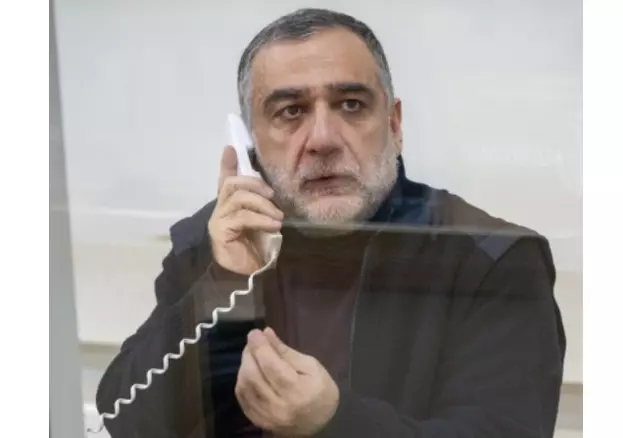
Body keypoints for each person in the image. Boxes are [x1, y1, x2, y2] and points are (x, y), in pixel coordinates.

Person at [96, 8, 566, 438]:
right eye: (291, 112)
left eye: (351, 105)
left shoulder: (491, 260)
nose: (322, 139)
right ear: (250, 144)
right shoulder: (218, 240)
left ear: (395, 125)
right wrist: (223, 281)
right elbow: (126, 423)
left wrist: (335, 423)